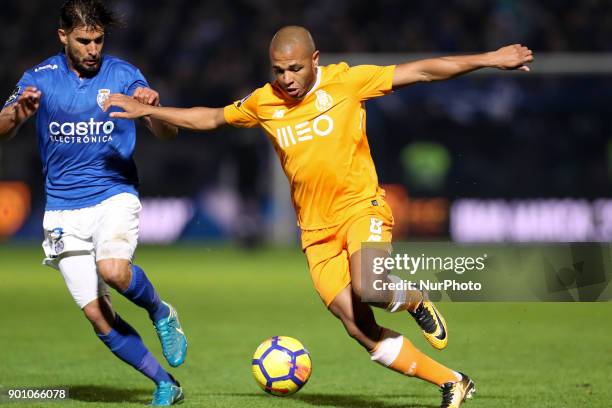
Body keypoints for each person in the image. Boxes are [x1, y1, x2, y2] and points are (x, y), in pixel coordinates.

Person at [104, 25, 533, 407]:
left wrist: (490, 59)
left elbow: (422, 71)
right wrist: (151, 112)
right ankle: (454, 383)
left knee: (370, 284)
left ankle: (416, 299)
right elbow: (212, 118)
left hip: (360, 207)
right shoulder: (264, 102)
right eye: (277, 70)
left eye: (293, 68)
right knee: (358, 326)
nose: (285, 79)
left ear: (314, 60)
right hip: (315, 232)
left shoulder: (347, 81)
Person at [0, 1, 187, 405]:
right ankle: (165, 383)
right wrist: (18, 114)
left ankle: (161, 312)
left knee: (114, 270)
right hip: (62, 210)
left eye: (99, 40)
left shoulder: (123, 75)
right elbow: (2, 128)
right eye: (84, 40)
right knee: (97, 316)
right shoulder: (40, 79)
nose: (92, 49)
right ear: (63, 37)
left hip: (113, 193)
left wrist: (152, 109)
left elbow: (168, 135)